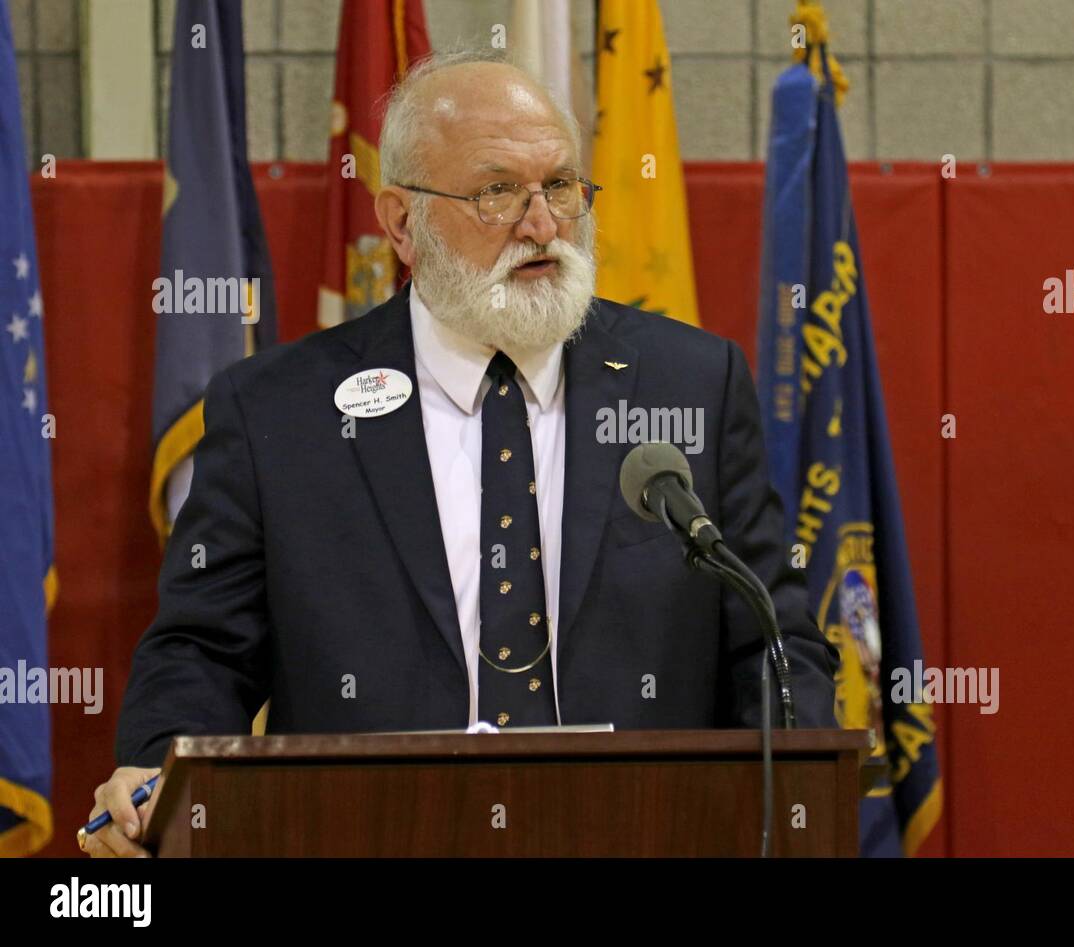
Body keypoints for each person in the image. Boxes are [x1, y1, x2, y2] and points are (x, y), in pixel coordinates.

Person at [83, 50, 838, 857]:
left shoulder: (692, 382)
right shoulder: (280, 411)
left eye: (560, 186)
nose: (543, 223)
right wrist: (159, 770)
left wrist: (785, 802)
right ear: (402, 223)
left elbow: (773, 635)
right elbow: (202, 648)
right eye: (497, 191)